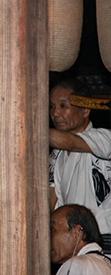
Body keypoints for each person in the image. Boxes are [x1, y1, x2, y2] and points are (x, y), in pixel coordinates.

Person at [50, 78, 111, 252]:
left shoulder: (104, 138)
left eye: (63, 106)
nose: (55, 114)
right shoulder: (56, 155)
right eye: (52, 107)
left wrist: (29, 127)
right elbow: (53, 204)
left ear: (85, 109)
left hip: (105, 237)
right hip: (75, 242)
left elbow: (70, 142)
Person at [51, 204, 111, 274]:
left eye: (52, 230)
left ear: (77, 233)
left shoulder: (75, 265)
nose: (47, 239)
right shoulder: (106, 265)